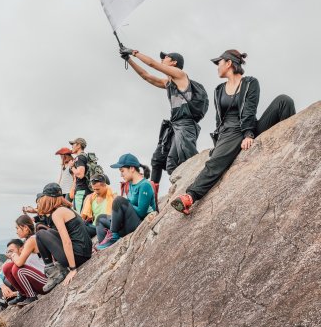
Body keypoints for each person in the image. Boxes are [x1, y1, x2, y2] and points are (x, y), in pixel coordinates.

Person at [171, 49, 296, 214]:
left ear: (228, 63)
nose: (217, 67)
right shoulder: (219, 90)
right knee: (216, 163)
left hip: (248, 125)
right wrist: (218, 144)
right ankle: (190, 197)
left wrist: (248, 134)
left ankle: (291, 147)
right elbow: (218, 120)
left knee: (284, 101)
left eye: (219, 63)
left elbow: (249, 110)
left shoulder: (250, 83)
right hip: (229, 131)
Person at [120, 46, 208, 189]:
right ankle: (182, 187)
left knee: (189, 157)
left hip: (186, 125)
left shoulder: (180, 75)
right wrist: (129, 59)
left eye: (165, 57)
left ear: (174, 63)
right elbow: (146, 76)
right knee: (171, 162)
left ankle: (200, 184)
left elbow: (152, 64)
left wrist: (134, 52)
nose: (162, 59)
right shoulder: (168, 83)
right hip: (176, 126)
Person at [35, 182, 93, 291]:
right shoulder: (66, 208)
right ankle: (57, 269)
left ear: (49, 198)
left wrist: (73, 269)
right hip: (84, 252)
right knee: (49, 232)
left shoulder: (57, 213)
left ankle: (53, 271)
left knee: (40, 234)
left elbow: (67, 242)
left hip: (78, 256)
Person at [96, 154, 156, 250]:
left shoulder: (145, 185)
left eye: (122, 171)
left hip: (139, 223)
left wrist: (124, 202)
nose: (121, 174)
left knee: (119, 200)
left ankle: (113, 236)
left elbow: (141, 212)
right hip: (128, 223)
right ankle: (104, 245)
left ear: (132, 168)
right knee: (101, 219)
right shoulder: (131, 185)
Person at [3, 216, 47, 306]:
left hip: (45, 281)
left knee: (17, 268)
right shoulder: (27, 241)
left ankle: (31, 296)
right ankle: (23, 294)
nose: (16, 231)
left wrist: (13, 255)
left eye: (18, 228)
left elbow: (19, 263)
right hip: (37, 278)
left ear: (25, 228)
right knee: (7, 267)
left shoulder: (32, 240)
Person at [68, 137, 91, 214]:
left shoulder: (80, 157)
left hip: (81, 191)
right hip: (87, 190)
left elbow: (80, 174)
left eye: (73, 144)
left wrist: (71, 166)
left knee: (80, 214)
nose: (72, 146)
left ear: (79, 145)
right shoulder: (86, 156)